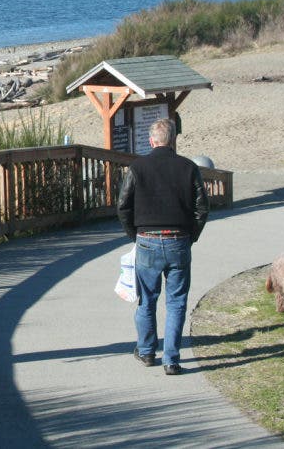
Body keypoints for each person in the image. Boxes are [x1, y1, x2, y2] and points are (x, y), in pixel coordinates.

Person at [117, 118, 209, 375]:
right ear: (173, 141)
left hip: (147, 238)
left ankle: (147, 351)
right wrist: (191, 236)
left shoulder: (138, 167)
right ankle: (171, 359)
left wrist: (134, 235)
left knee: (147, 299)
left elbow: (123, 205)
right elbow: (202, 208)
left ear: (151, 141)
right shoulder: (189, 167)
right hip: (178, 239)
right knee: (176, 302)